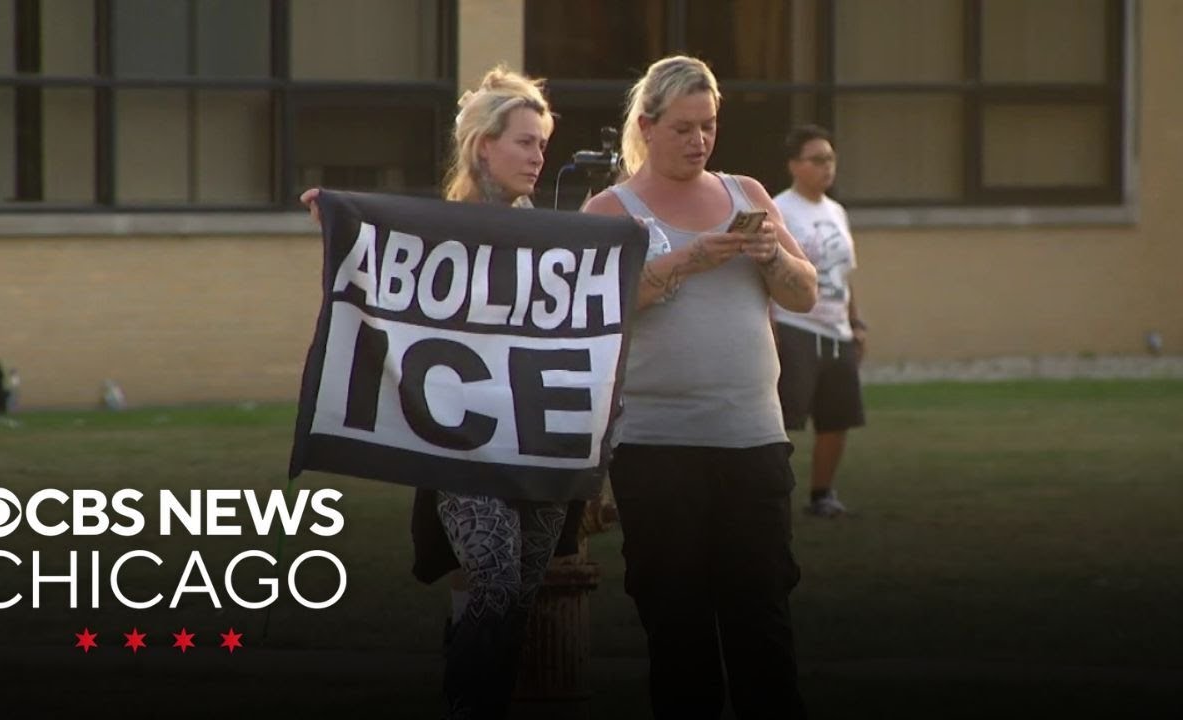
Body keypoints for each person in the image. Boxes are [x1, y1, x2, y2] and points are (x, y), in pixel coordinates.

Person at [301, 66, 573, 719]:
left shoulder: (555, 242)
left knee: (515, 597)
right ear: (485, 146)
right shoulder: (434, 230)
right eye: (525, 142)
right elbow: (379, 274)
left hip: (536, 446)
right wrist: (341, 224)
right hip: (461, 446)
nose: (539, 156)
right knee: (496, 582)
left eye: (543, 143)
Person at [582, 56, 817, 719]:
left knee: (761, 617)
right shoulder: (611, 209)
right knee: (677, 624)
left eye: (709, 126)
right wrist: (686, 259)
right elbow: (592, 310)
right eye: (684, 128)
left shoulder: (747, 194)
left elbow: (807, 294)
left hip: (752, 439)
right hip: (658, 448)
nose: (699, 141)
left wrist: (771, 254)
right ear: (647, 126)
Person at [772, 125, 867, 519]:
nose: (826, 167)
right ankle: (769, 496)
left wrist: (856, 323)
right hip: (796, 326)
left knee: (837, 417)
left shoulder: (836, 211)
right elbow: (768, 272)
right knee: (782, 419)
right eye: (817, 159)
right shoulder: (780, 209)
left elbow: (843, 273)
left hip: (836, 330)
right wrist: (772, 330)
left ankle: (822, 494)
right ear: (795, 165)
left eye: (830, 159)